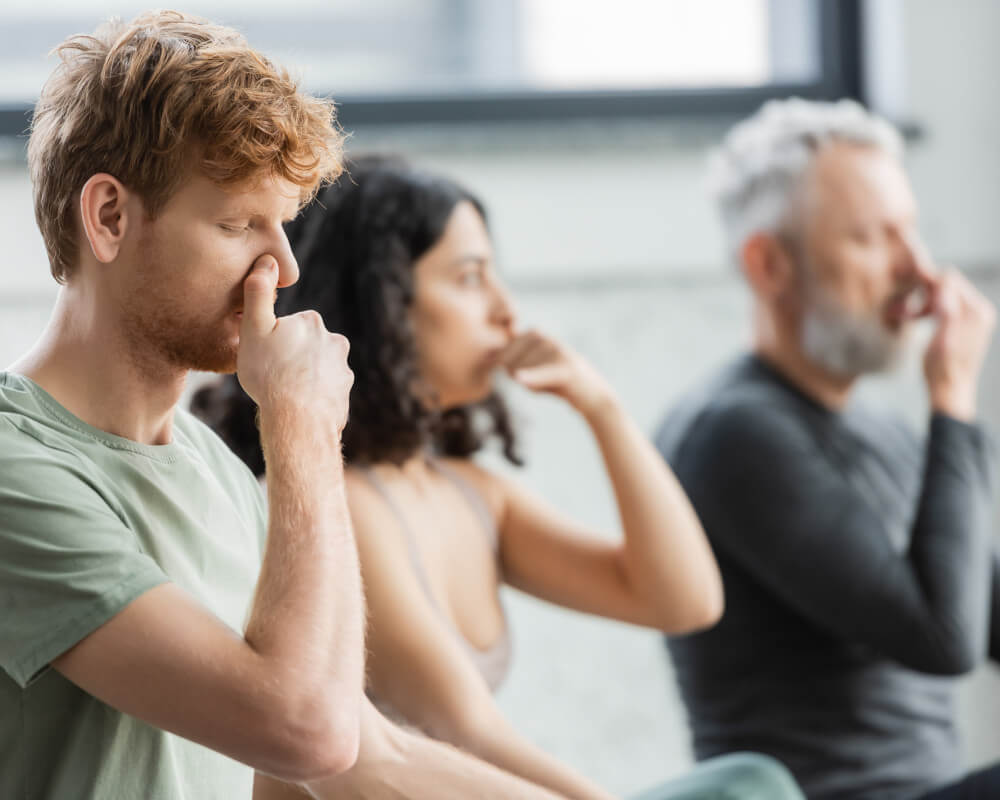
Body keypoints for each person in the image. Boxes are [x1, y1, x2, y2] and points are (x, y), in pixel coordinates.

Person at [0, 12, 577, 800]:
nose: (284, 265)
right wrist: (302, 429)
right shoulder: (16, 469)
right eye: (239, 224)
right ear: (109, 217)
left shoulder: (211, 470)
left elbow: (371, 757)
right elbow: (304, 729)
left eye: (286, 225)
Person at [198, 154, 805, 800]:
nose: (506, 312)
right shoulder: (344, 503)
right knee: (745, 788)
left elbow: (683, 600)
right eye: (469, 278)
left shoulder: (467, 493)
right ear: (385, 302)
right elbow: (465, 730)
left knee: (751, 779)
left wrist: (602, 408)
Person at [654, 98, 1000, 800]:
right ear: (770, 264)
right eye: (875, 239)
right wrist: (955, 400)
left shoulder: (890, 431)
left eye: (913, 233)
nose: (918, 269)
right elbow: (943, 637)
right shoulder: (732, 434)